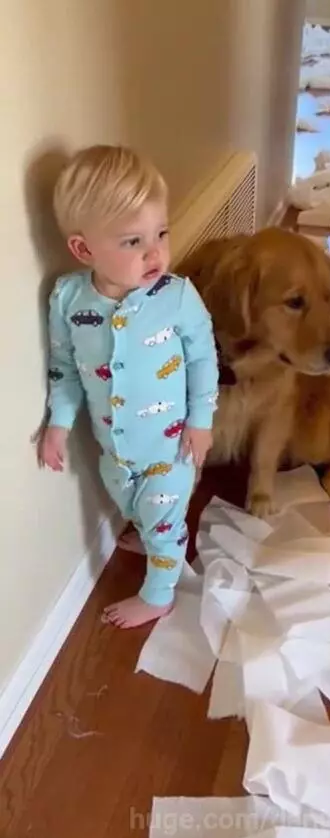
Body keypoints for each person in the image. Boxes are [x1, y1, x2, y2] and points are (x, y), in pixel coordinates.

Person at [39, 144, 219, 628]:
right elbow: (65, 367)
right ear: (84, 250)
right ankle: (149, 530)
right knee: (128, 501)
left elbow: (203, 358)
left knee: (165, 524)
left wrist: (201, 422)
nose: (155, 251)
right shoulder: (69, 298)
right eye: (133, 242)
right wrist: (58, 424)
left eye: (160, 233)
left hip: (170, 448)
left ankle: (159, 592)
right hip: (113, 452)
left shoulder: (177, 296)